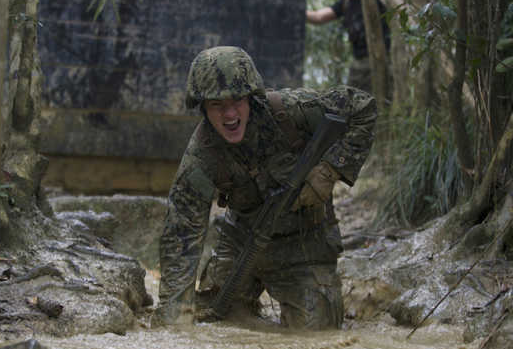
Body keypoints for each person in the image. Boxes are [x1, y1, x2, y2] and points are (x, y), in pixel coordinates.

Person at [156, 46, 377, 330]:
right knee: (219, 323)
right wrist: (172, 322)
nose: (230, 114)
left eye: (237, 100)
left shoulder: (290, 111)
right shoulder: (200, 158)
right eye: (217, 105)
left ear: (251, 97)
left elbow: (363, 106)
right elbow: (181, 238)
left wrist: (329, 170)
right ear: (202, 108)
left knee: (313, 338)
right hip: (242, 242)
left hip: (304, 243)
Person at [306, 0, 391, 95]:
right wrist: (293, 10)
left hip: (383, 64)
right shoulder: (345, 2)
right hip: (358, 67)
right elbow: (318, 17)